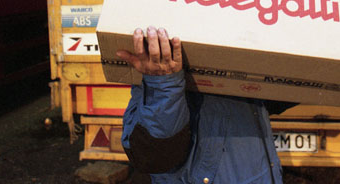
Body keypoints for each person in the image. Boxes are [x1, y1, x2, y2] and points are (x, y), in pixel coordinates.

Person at [117, 26, 294, 184]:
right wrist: (163, 84)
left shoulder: (243, 39)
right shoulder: (163, 54)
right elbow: (151, 157)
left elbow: (263, 104)